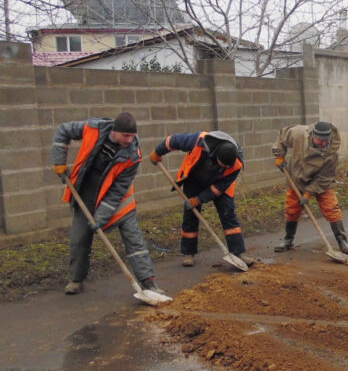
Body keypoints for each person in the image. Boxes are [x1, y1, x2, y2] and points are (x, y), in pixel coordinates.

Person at [51, 112, 161, 295]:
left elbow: (118, 191)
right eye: (126, 135)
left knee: (134, 241)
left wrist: (101, 217)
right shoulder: (93, 129)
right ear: (115, 131)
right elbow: (63, 130)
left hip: (118, 203)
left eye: (133, 135)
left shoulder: (133, 155)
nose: (130, 139)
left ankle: (148, 283)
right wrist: (58, 162)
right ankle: (76, 280)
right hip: (85, 196)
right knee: (79, 241)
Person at [149, 131, 253, 267]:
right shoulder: (199, 141)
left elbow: (218, 188)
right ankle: (188, 253)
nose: (226, 168)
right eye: (223, 165)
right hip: (194, 179)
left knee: (228, 214)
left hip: (220, 184)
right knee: (190, 214)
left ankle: (238, 252)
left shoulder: (237, 164)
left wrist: (199, 199)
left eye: (228, 166)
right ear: (216, 155)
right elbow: (173, 141)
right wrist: (157, 152)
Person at [272, 121, 348, 254]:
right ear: (312, 136)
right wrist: (279, 156)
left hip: (320, 183)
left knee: (331, 208)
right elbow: (282, 136)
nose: (323, 144)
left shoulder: (331, 154)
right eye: (320, 141)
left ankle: (342, 241)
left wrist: (309, 193)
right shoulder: (298, 134)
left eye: (326, 141)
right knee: (292, 209)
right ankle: (288, 240)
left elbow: (324, 178)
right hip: (296, 179)